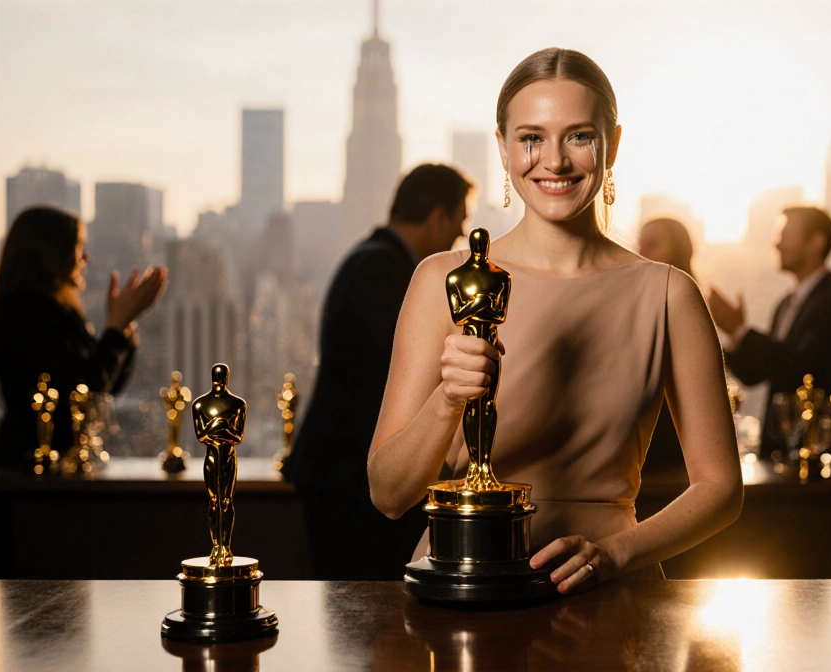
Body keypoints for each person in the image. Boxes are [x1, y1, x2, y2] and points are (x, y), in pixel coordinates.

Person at [367, 48, 742, 594]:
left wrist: (614, 554)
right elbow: (388, 495)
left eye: (579, 136)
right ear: (503, 147)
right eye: (531, 138)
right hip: (464, 588)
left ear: (613, 145)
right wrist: (447, 398)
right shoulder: (442, 279)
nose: (555, 161)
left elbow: (721, 488)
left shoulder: (669, 294)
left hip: (611, 598)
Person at [285, 164, 473, 580]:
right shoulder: (383, 270)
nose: (459, 238)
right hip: (349, 482)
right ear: (438, 217)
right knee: (365, 606)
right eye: (458, 225)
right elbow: (415, 366)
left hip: (342, 476)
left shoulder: (370, 259)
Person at [0, 206, 167, 468]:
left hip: (56, 463)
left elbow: (105, 387)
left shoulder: (60, 313)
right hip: (29, 465)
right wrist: (116, 327)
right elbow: (82, 391)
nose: (86, 257)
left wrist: (123, 326)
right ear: (52, 253)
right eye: (78, 246)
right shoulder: (22, 315)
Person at [707, 206, 831, 456]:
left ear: (815, 242)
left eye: (785, 235)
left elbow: (804, 369)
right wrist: (732, 336)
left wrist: (741, 331)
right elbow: (757, 374)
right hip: (779, 446)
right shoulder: (785, 304)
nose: (777, 244)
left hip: (820, 448)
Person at [636, 217, 696, 475]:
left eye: (652, 244)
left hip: (668, 451)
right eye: (640, 244)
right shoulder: (637, 303)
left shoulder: (686, 309)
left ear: (677, 252)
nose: (641, 253)